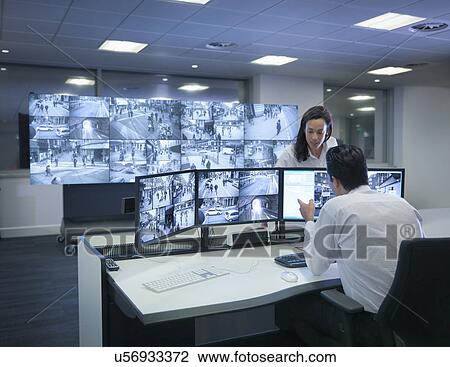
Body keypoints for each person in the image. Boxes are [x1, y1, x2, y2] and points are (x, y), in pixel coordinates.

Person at [276, 145, 424, 346]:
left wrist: (310, 221)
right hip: (411, 325)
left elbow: (317, 267)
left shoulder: (336, 207)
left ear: (334, 181)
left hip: (369, 326)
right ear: (366, 174)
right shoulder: (405, 206)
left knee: (289, 306)